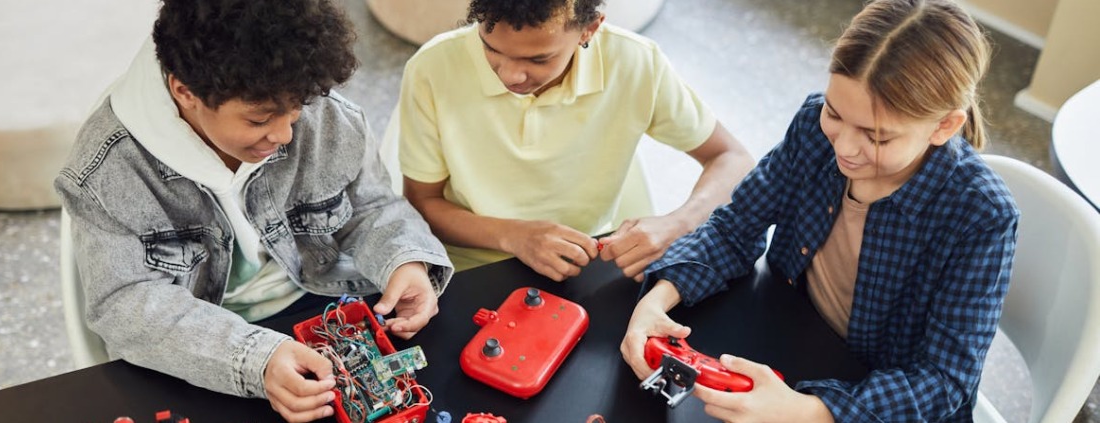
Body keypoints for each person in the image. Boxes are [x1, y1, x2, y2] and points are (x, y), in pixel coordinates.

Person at [54, 1, 452, 422]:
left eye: (295, 109)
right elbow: (125, 305)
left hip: (324, 303)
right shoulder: (104, 172)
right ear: (184, 91)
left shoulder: (319, 107)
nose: (283, 134)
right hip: (199, 348)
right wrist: (255, 359)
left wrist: (405, 261)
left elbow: (371, 206)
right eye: (260, 119)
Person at [620, 0, 1017, 421]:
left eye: (876, 137)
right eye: (835, 112)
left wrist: (810, 411)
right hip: (788, 339)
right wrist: (656, 302)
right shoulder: (813, 125)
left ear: (944, 127)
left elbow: (943, 381)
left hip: (871, 399)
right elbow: (735, 228)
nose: (843, 148)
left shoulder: (983, 215)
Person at [397, 0, 755, 281]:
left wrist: (678, 222)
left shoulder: (636, 62)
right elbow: (423, 203)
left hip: (588, 261)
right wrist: (515, 236)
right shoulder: (432, 68)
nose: (510, 74)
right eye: (491, 49)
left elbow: (732, 158)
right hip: (467, 267)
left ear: (590, 29)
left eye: (539, 58)